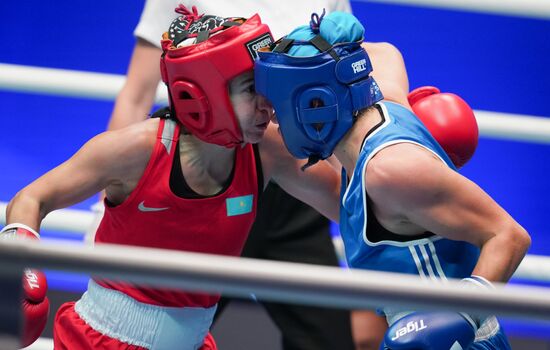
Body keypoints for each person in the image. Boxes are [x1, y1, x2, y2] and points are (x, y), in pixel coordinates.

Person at [0, 8, 344, 349]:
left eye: (265, 88)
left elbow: (352, 209)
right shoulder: (138, 149)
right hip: (97, 342)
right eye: (250, 89)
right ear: (204, 94)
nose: (266, 106)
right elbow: (31, 199)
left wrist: (364, 131)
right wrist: (17, 266)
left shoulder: (266, 149)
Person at [98, 1, 386, 349]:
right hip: (204, 191)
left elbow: (343, 103)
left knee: (325, 342)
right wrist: (109, 201)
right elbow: (136, 94)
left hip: (289, 182)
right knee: (169, 329)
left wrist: (375, 275)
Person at [255, 11, 531, 350]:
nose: (275, 121)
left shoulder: (391, 170)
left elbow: (510, 235)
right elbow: (382, 51)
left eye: (280, 108)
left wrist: (460, 315)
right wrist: (321, 43)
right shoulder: (380, 98)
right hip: (405, 329)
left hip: (459, 342)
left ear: (316, 104)